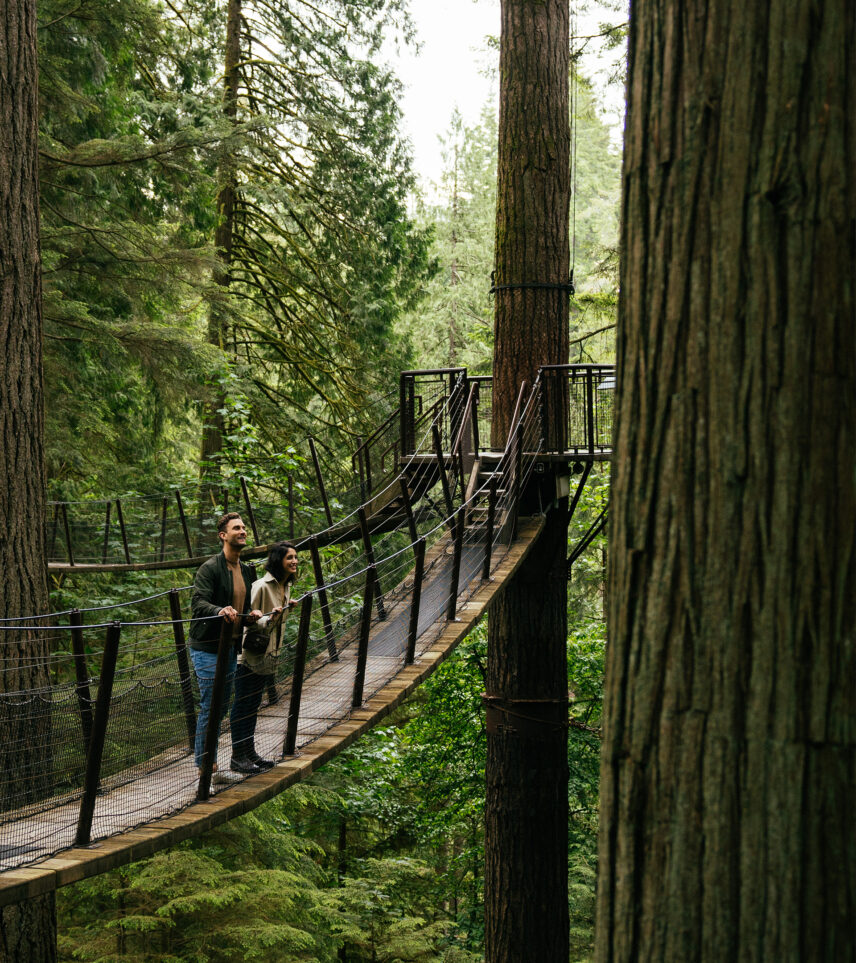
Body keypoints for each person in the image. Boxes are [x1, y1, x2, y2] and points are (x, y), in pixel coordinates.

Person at [189, 512, 262, 784]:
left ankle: (211, 766)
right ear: (223, 535)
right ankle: (205, 769)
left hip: (231, 648)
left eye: (243, 527)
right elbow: (197, 603)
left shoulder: (247, 569)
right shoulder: (210, 568)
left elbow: (244, 605)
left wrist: (250, 613)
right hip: (208, 647)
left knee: (220, 708)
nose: (242, 531)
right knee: (212, 706)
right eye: (236, 528)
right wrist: (220, 610)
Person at [230, 541, 298, 772]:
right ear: (279, 560)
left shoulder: (284, 586)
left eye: (296, 557)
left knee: (253, 704)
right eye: (290, 558)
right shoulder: (261, 585)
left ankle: (249, 753)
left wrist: (286, 609)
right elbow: (247, 617)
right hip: (250, 654)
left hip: (269, 654)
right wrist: (267, 619)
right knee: (243, 704)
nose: (295, 561)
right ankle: (238, 757)